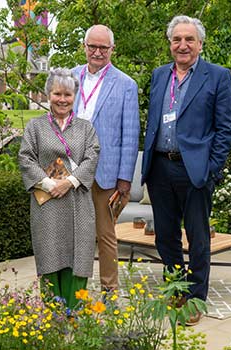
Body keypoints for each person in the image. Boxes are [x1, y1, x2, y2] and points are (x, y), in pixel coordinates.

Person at [141, 15, 231, 326]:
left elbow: (226, 130)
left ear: (200, 44)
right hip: (159, 168)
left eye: (189, 39)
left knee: (197, 238)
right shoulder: (158, 76)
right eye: (177, 39)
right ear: (170, 43)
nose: (182, 45)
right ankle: (175, 291)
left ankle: (195, 300)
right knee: (165, 238)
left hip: (194, 171)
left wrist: (211, 169)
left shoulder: (217, 76)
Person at [18, 68, 100, 310]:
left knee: (78, 255)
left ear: (75, 96)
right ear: (48, 94)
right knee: (51, 254)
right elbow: (25, 158)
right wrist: (49, 183)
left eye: (68, 94)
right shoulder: (35, 127)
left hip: (78, 202)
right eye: (57, 94)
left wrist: (69, 182)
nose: (62, 99)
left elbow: (92, 156)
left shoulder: (86, 128)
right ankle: (54, 316)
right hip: (48, 204)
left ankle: (74, 313)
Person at [71, 24, 140, 295]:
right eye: (92, 46)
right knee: (76, 236)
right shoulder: (70, 77)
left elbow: (130, 135)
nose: (97, 52)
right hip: (72, 171)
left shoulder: (125, 85)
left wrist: (124, 180)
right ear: (84, 47)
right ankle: (76, 291)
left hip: (106, 173)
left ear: (112, 49)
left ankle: (109, 292)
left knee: (106, 236)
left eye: (103, 47)